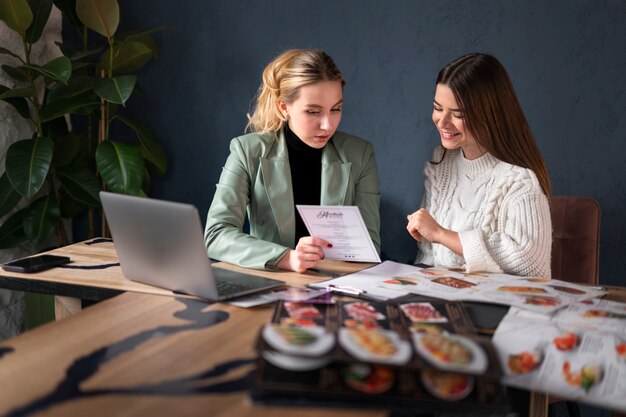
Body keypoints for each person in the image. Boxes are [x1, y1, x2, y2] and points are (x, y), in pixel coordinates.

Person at [205, 49, 381, 273]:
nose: (327, 125)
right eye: (313, 112)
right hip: (272, 281)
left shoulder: (361, 154)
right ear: (284, 107)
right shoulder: (246, 151)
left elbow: (370, 248)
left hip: (334, 283)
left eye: (336, 109)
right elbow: (216, 234)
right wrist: (286, 258)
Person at [406, 53, 552, 278]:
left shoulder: (519, 181)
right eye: (437, 107)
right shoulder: (441, 165)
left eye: (458, 114)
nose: (442, 122)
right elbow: (428, 256)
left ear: (489, 115)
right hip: (440, 299)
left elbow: (531, 264)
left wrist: (440, 234)